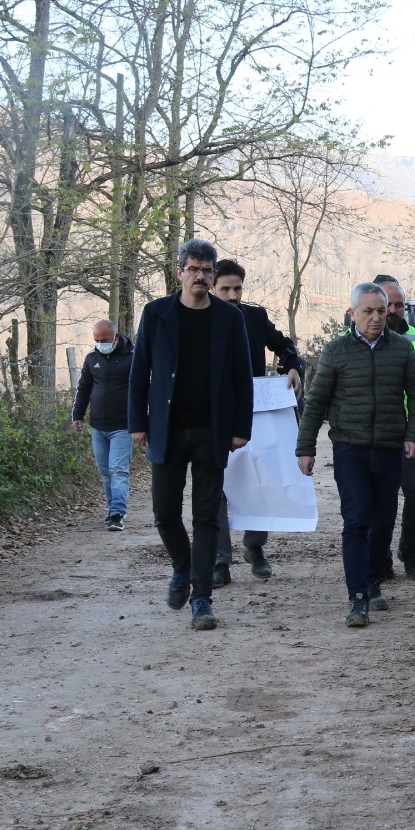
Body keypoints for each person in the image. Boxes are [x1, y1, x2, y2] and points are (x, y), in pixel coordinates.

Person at [127, 239, 254, 631]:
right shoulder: (156, 313)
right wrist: (138, 422)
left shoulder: (230, 319)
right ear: (179, 271)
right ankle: (182, 567)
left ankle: (201, 598)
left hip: (211, 430)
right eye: (194, 268)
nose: (201, 276)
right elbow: (139, 371)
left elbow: (240, 377)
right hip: (166, 429)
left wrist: (240, 428)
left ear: (213, 274)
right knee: (164, 513)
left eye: (207, 269)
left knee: (206, 518)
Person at [296, 283, 415, 627]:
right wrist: (305, 448)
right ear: (352, 313)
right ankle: (357, 597)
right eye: (368, 311)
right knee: (356, 521)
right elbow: (316, 402)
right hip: (349, 448)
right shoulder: (336, 351)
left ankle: (372, 581)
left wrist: (414, 435)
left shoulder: (402, 351)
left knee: (383, 522)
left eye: (381, 312)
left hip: (388, 449)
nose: (375, 318)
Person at [210, 258, 306, 582]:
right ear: (211, 286)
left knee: (255, 479)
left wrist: (293, 366)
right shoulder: (198, 320)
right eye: (226, 288)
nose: (233, 294)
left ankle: (255, 546)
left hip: (255, 414)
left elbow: (285, 346)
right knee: (215, 486)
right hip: (211, 415)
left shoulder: (255, 317)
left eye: (237, 288)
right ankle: (220, 561)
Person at [371, 275, 415, 579]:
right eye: (390, 304)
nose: (395, 310)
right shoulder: (354, 337)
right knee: (377, 498)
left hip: (409, 431)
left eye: (399, 304)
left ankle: (408, 548)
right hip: (373, 432)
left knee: (414, 491)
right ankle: (380, 556)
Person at [72, 318, 135, 531]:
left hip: (123, 426)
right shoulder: (92, 359)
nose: (100, 343)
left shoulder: (132, 358)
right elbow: (83, 388)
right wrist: (77, 415)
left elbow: (143, 389)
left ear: (115, 337)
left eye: (104, 339)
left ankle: (118, 512)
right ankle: (111, 510)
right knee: (105, 470)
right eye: (97, 340)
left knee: (118, 469)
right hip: (98, 426)